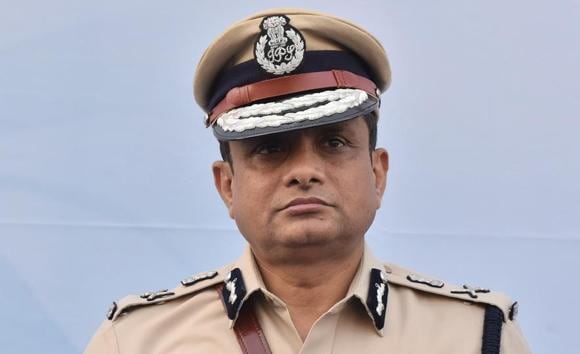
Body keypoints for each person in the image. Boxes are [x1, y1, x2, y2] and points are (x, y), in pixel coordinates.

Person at [85, 8, 531, 354]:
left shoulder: (476, 336)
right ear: (227, 185)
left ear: (378, 173)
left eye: (334, 143)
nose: (304, 171)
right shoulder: (138, 340)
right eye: (270, 149)